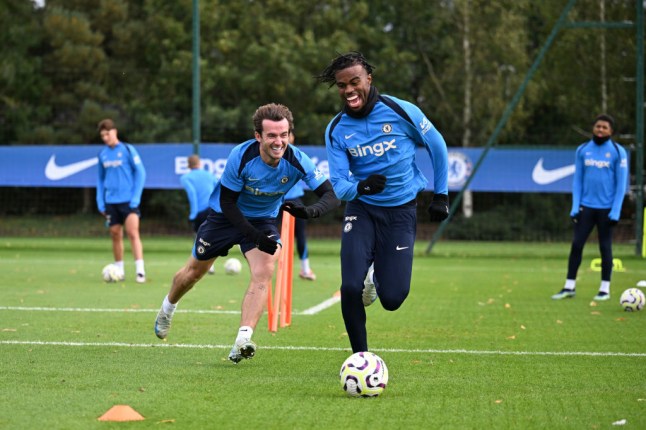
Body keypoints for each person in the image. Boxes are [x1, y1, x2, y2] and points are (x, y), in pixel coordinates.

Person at [153, 103, 340, 363]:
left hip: (263, 219)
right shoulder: (240, 157)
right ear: (258, 136)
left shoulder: (298, 159)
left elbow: (331, 195)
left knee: (265, 270)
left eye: (283, 135)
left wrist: (309, 211)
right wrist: (253, 236)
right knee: (193, 273)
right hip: (224, 217)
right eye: (272, 135)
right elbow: (228, 204)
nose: (279, 141)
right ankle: (167, 307)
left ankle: (242, 339)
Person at [316, 51, 450, 353]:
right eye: (341, 86)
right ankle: (360, 359)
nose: (349, 90)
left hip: (401, 212)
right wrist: (361, 187)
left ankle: (376, 276)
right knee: (350, 287)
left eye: (354, 82)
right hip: (361, 211)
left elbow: (437, 145)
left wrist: (440, 194)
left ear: (369, 79)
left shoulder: (402, 111)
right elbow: (339, 184)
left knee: (393, 299)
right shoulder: (336, 129)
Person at [552, 114, 628, 301]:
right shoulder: (583, 150)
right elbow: (577, 181)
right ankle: (569, 286)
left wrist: (616, 210)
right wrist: (575, 206)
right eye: (598, 126)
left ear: (611, 131)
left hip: (606, 209)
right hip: (586, 207)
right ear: (593, 128)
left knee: (605, 247)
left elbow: (621, 184)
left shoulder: (618, 152)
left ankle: (605, 289)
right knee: (577, 245)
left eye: (604, 127)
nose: (600, 130)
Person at [96, 118, 147, 283]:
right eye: (102, 135)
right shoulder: (102, 154)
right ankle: (119, 270)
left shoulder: (127, 149)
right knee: (115, 234)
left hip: (129, 201)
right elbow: (100, 180)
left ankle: (140, 271)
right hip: (111, 201)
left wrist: (136, 198)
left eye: (107, 133)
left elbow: (141, 173)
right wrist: (100, 201)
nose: (105, 137)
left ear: (115, 131)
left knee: (133, 233)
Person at [180, 154, 219, 274]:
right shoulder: (210, 175)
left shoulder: (186, 178)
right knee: (211, 237)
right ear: (200, 163)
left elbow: (192, 195)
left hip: (200, 211)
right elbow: (217, 191)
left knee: (199, 238)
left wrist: (193, 214)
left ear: (188, 165)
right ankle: (210, 265)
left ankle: (198, 264)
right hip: (213, 209)